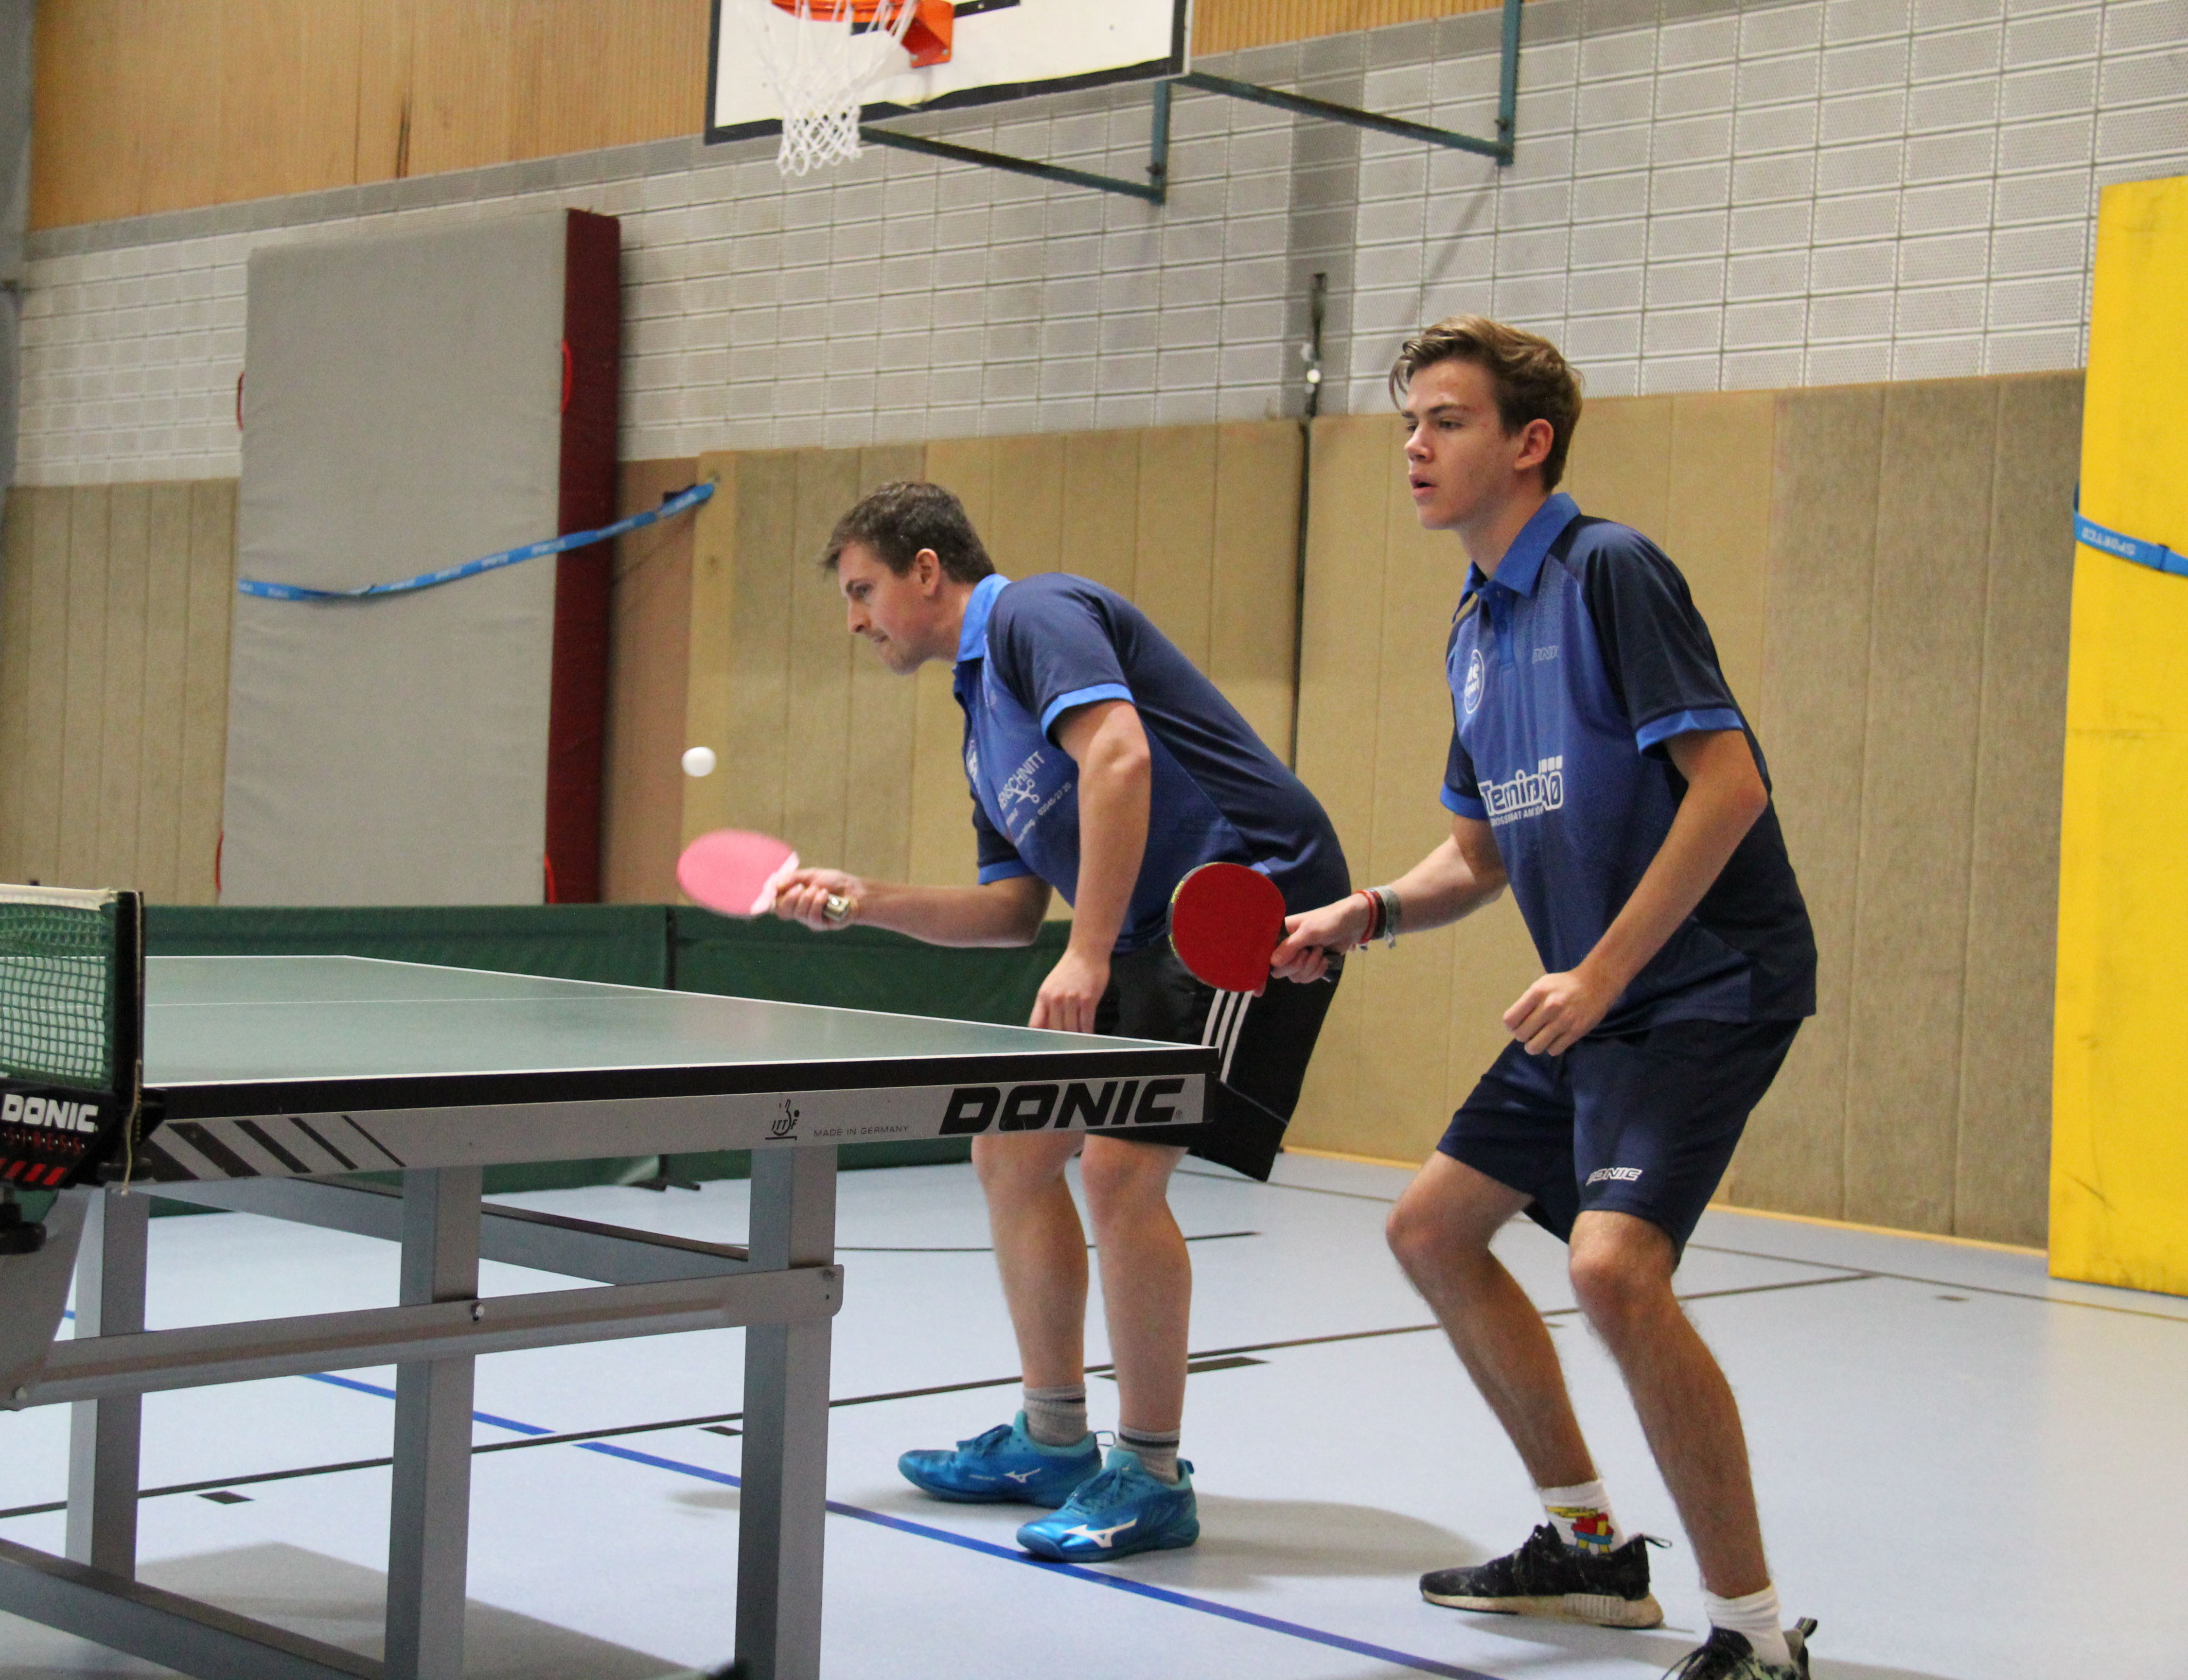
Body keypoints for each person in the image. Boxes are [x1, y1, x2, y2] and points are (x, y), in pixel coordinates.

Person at [1273, 317, 1818, 1680]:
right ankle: (1585, 1552)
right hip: (1593, 999)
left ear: (1530, 444)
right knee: (1432, 1231)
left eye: (1447, 420)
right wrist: (1367, 913)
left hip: (1704, 980)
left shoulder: (1608, 571)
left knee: (1612, 1270)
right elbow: (1479, 854)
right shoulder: (1474, 625)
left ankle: (1756, 1637)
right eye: (1410, 421)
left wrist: (1604, 971)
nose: (1414, 444)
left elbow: (1730, 787)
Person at [773, 481, 1349, 1562]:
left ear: (927, 571)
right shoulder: (981, 732)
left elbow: (1120, 757)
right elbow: (1005, 914)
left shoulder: (1034, 615)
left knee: (1120, 1173)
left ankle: (1152, 1475)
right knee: (1012, 1149)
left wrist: (1085, 954)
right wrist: (864, 900)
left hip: (1246, 902)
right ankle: (1051, 1439)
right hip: (1142, 928)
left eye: (862, 590)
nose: (855, 620)